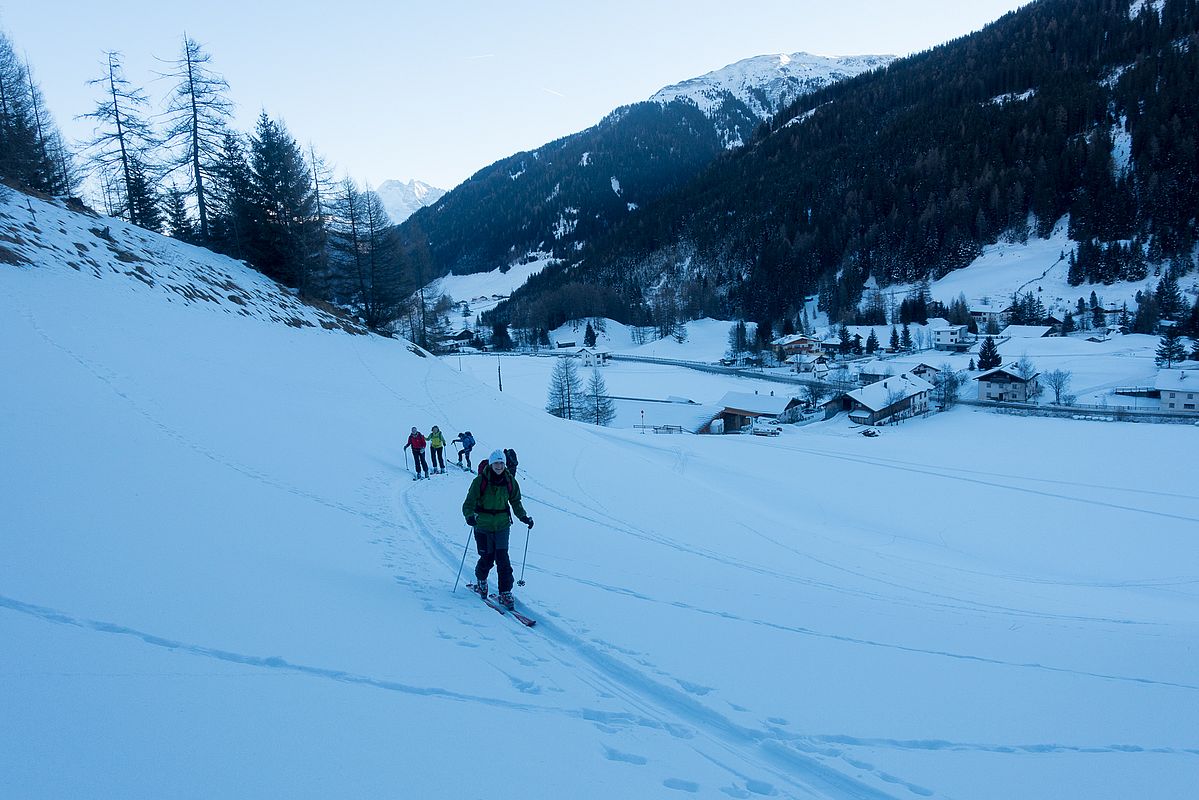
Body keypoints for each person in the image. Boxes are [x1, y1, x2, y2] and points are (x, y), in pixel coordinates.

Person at [463, 448, 533, 609]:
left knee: (503, 559)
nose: (499, 466)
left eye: (501, 463)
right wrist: (469, 516)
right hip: (482, 525)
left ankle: (505, 592)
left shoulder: (510, 481)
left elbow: (515, 501)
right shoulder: (480, 481)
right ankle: (481, 580)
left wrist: (523, 517)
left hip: (502, 524)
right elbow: (469, 502)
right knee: (487, 558)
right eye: (496, 463)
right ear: (491, 463)